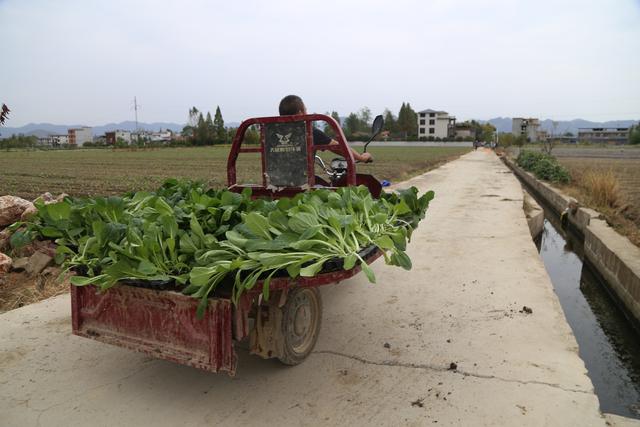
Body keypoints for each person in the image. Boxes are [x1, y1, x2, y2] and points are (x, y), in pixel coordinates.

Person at [278, 95, 373, 163]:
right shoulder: (310, 132)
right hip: (302, 186)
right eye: (306, 110)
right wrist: (361, 158)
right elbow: (339, 147)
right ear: (300, 113)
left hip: (273, 185)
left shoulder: (270, 133)